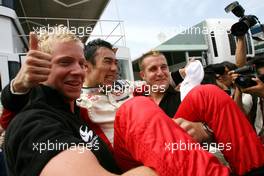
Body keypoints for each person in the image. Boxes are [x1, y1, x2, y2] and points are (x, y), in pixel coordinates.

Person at [3, 26, 157, 176]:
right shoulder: (36, 122)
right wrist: (162, 167)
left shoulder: (76, 111)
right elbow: (12, 119)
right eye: (65, 62)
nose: (78, 71)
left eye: (80, 64)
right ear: (40, 66)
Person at [114, 50, 264, 175]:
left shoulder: (185, 96)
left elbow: (221, 126)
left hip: (186, 156)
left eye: (164, 67)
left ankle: (253, 170)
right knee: (138, 106)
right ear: (143, 76)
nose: (160, 73)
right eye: (153, 69)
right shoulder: (133, 99)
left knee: (208, 92)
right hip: (141, 160)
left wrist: (206, 130)